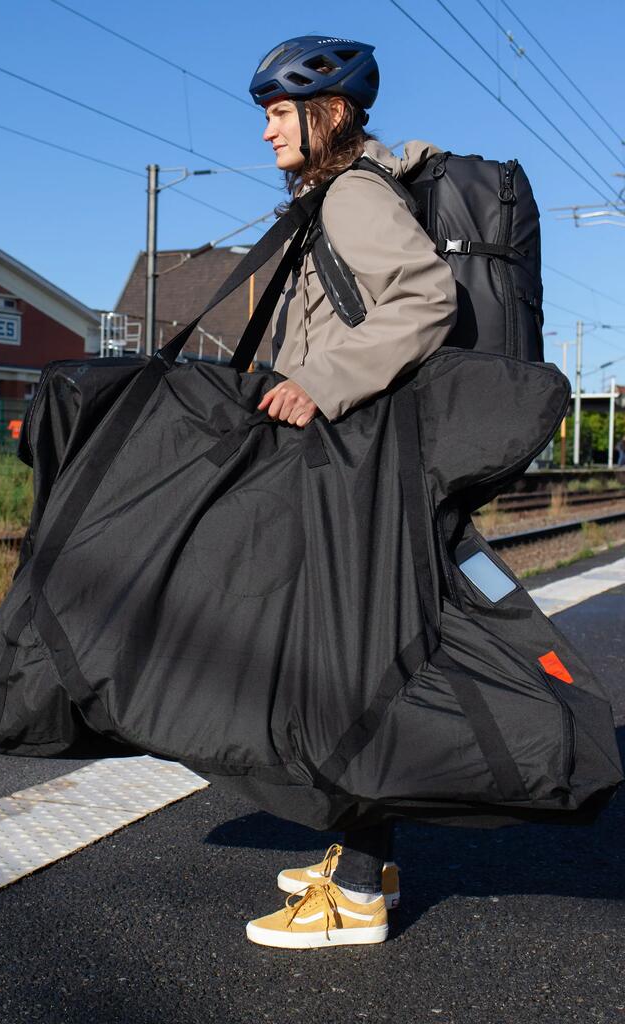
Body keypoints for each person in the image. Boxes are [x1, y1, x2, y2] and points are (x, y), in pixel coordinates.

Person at [243, 35, 458, 948]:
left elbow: (425, 297)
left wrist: (321, 381)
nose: (266, 132)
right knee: (342, 655)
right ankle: (362, 856)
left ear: (328, 113)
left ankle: (360, 893)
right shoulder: (338, 194)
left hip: (358, 460)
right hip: (350, 456)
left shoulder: (357, 197)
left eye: (279, 113)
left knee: (346, 663)